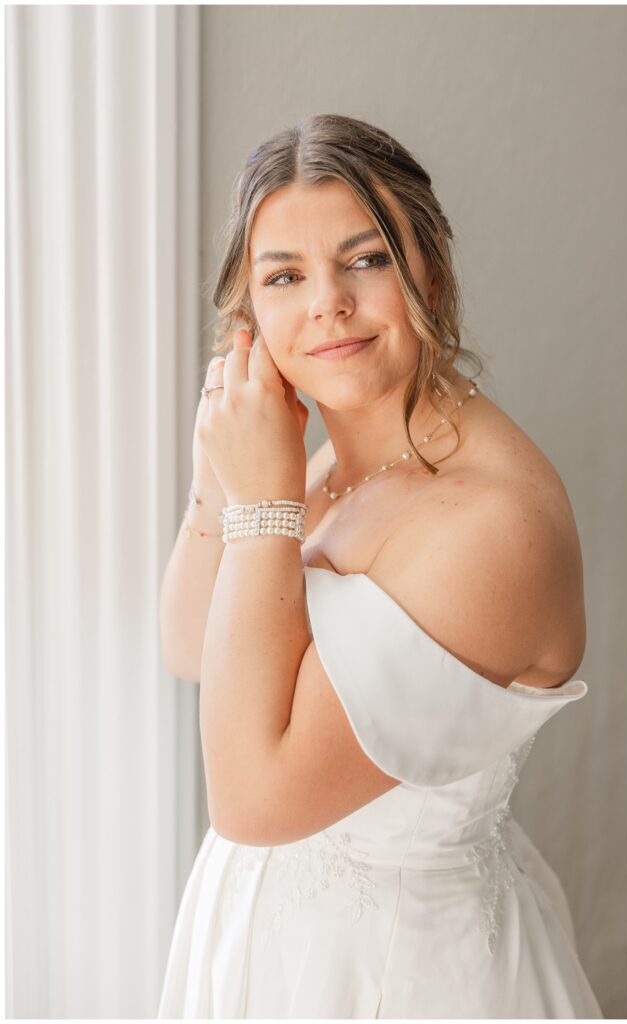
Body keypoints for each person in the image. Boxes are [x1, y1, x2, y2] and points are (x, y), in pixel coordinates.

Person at [157, 113, 603, 1019]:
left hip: (392, 976)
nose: (327, 302)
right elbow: (190, 648)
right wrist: (221, 474)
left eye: (365, 259)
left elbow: (251, 799)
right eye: (285, 276)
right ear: (251, 315)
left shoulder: (492, 528)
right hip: (259, 949)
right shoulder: (330, 464)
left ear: (427, 267)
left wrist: (261, 509)